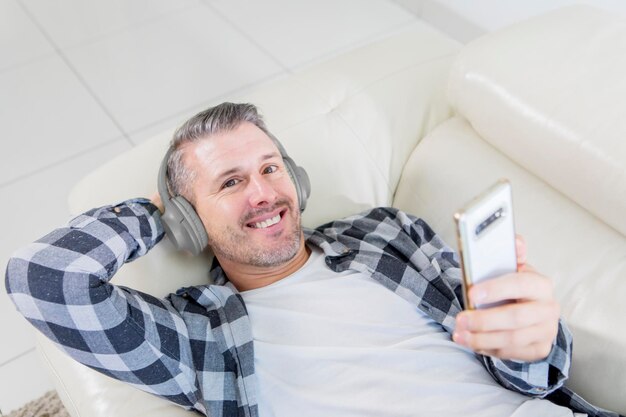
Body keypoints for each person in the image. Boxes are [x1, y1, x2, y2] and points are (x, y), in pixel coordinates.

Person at [4, 103, 621, 417]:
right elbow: (45, 280)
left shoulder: (386, 232)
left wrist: (535, 344)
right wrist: (150, 214)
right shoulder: (201, 335)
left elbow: (529, 373)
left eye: (271, 168)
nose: (264, 192)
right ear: (190, 222)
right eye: (230, 182)